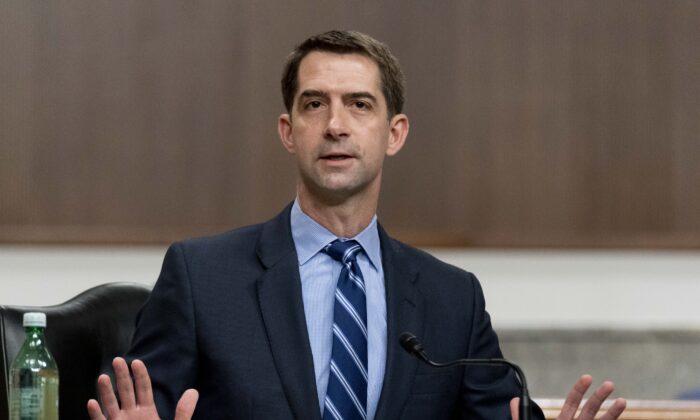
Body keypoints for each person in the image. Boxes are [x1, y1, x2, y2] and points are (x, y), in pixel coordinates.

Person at [87, 30, 627, 420]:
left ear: (394, 133)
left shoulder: (451, 298)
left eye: (359, 105)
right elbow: (141, 407)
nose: (336, 125)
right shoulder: (202, 277)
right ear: (288, 130)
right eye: (314, 104)